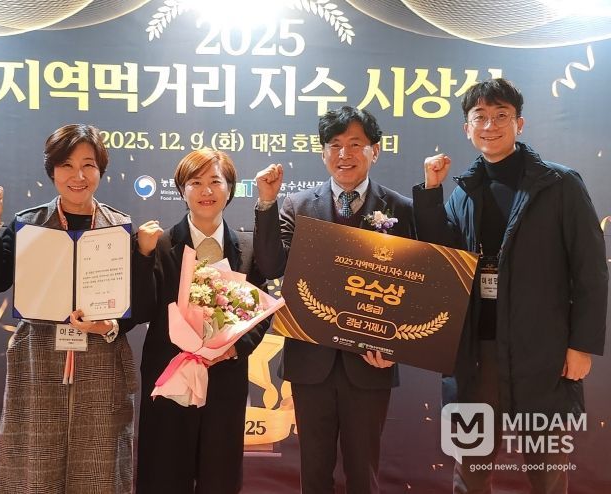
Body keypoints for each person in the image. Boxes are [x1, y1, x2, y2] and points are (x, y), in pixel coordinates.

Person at [412, 78, 608, 493]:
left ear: (520, 123)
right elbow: (439, 258)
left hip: (543, 352)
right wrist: (431, 191)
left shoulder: (559, 184)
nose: (490, 125)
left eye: (501, 115)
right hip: (475, 355)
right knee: (470, 471)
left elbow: (591, 269)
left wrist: (581, 345)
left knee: (547, 472)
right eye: (480, 116)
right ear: (467, 128)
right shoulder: (464, 192)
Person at [253, 105, 416, 494]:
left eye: (356, 144)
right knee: (314, 472)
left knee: (363, 473)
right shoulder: (296, 205)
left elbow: (413, 288)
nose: (345, 154)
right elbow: (272, 266)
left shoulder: (400, 209)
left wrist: (394, 346)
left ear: (375, 150)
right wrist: (267, 203)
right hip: (311, 363)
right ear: (323, 152)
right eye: (335, 144)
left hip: (371, 362)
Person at [0, 124, 138, 494]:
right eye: (67, 165)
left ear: (100, 170)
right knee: (35, 466)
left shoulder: (119, 227)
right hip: (39, 357)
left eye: (88, 165)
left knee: (99, 468)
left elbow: (136, 305)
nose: (78, 176)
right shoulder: (29, 224)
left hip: (101, 362)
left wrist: (109, 325)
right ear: (52, 171)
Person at [134, 148, 269, 494]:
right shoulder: (159, 245)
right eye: (195, 182)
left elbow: (260, 314)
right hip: (169, 379)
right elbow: (142, 309)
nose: (206, 191)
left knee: (219, 479)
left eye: (215, 182)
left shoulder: (249, 249)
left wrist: (234, 348)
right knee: (163, 477)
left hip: (225, 382)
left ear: (230, 189)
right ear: (182, 190)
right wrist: (143, 257)